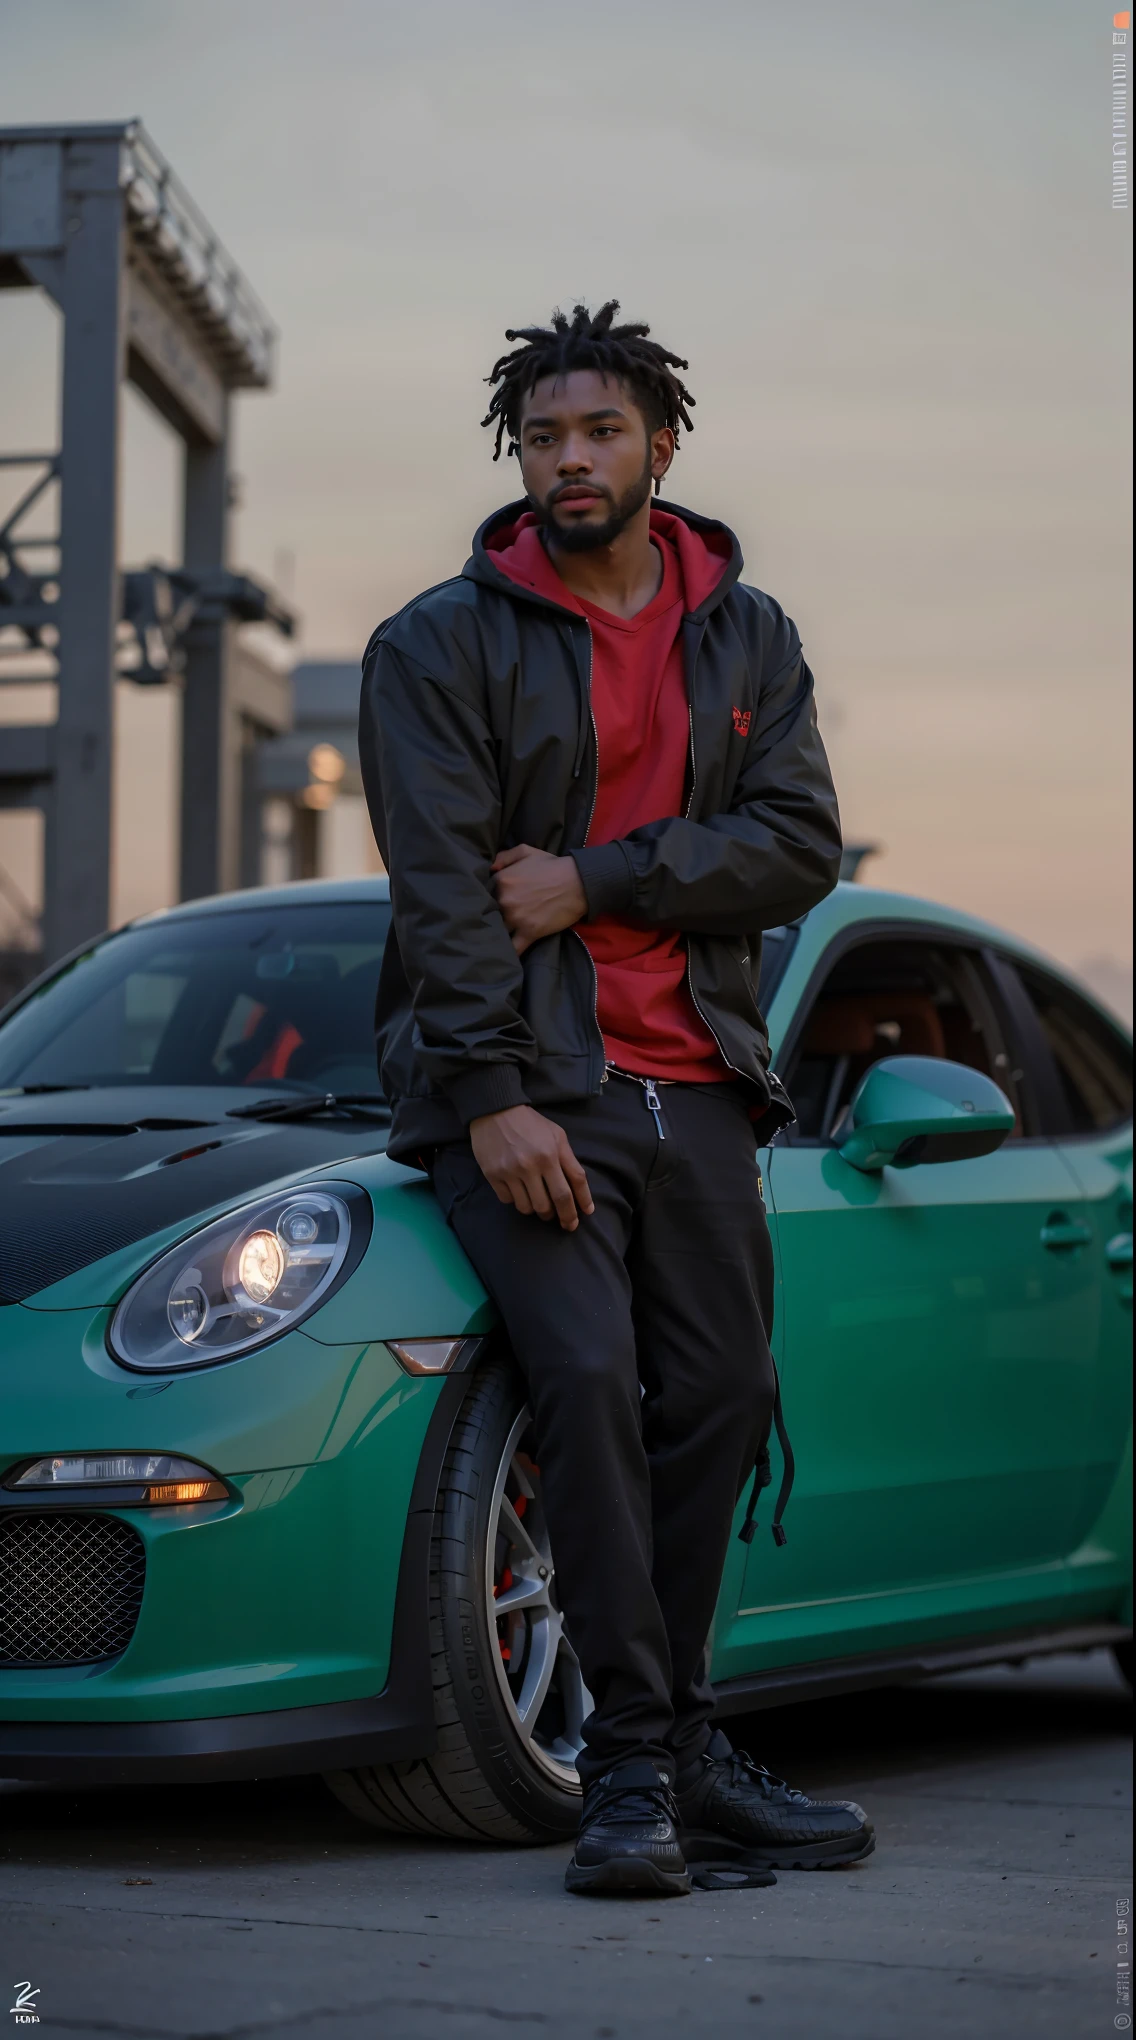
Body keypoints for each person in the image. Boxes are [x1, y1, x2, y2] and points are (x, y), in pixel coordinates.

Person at [359, 301, 873, 1896]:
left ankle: (686, 1742)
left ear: (662, 442)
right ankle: (636, 1771)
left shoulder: (750, 634)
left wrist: (593, 880)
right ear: (518, 451)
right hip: (530, 1087)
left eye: (600, 431)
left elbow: (798, 843)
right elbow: (447, 896)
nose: (569, 459)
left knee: (720, 1400)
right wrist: (494, 1097)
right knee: (583, 1378)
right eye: (544, 434)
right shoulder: (437, 643)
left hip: (697, 1077)